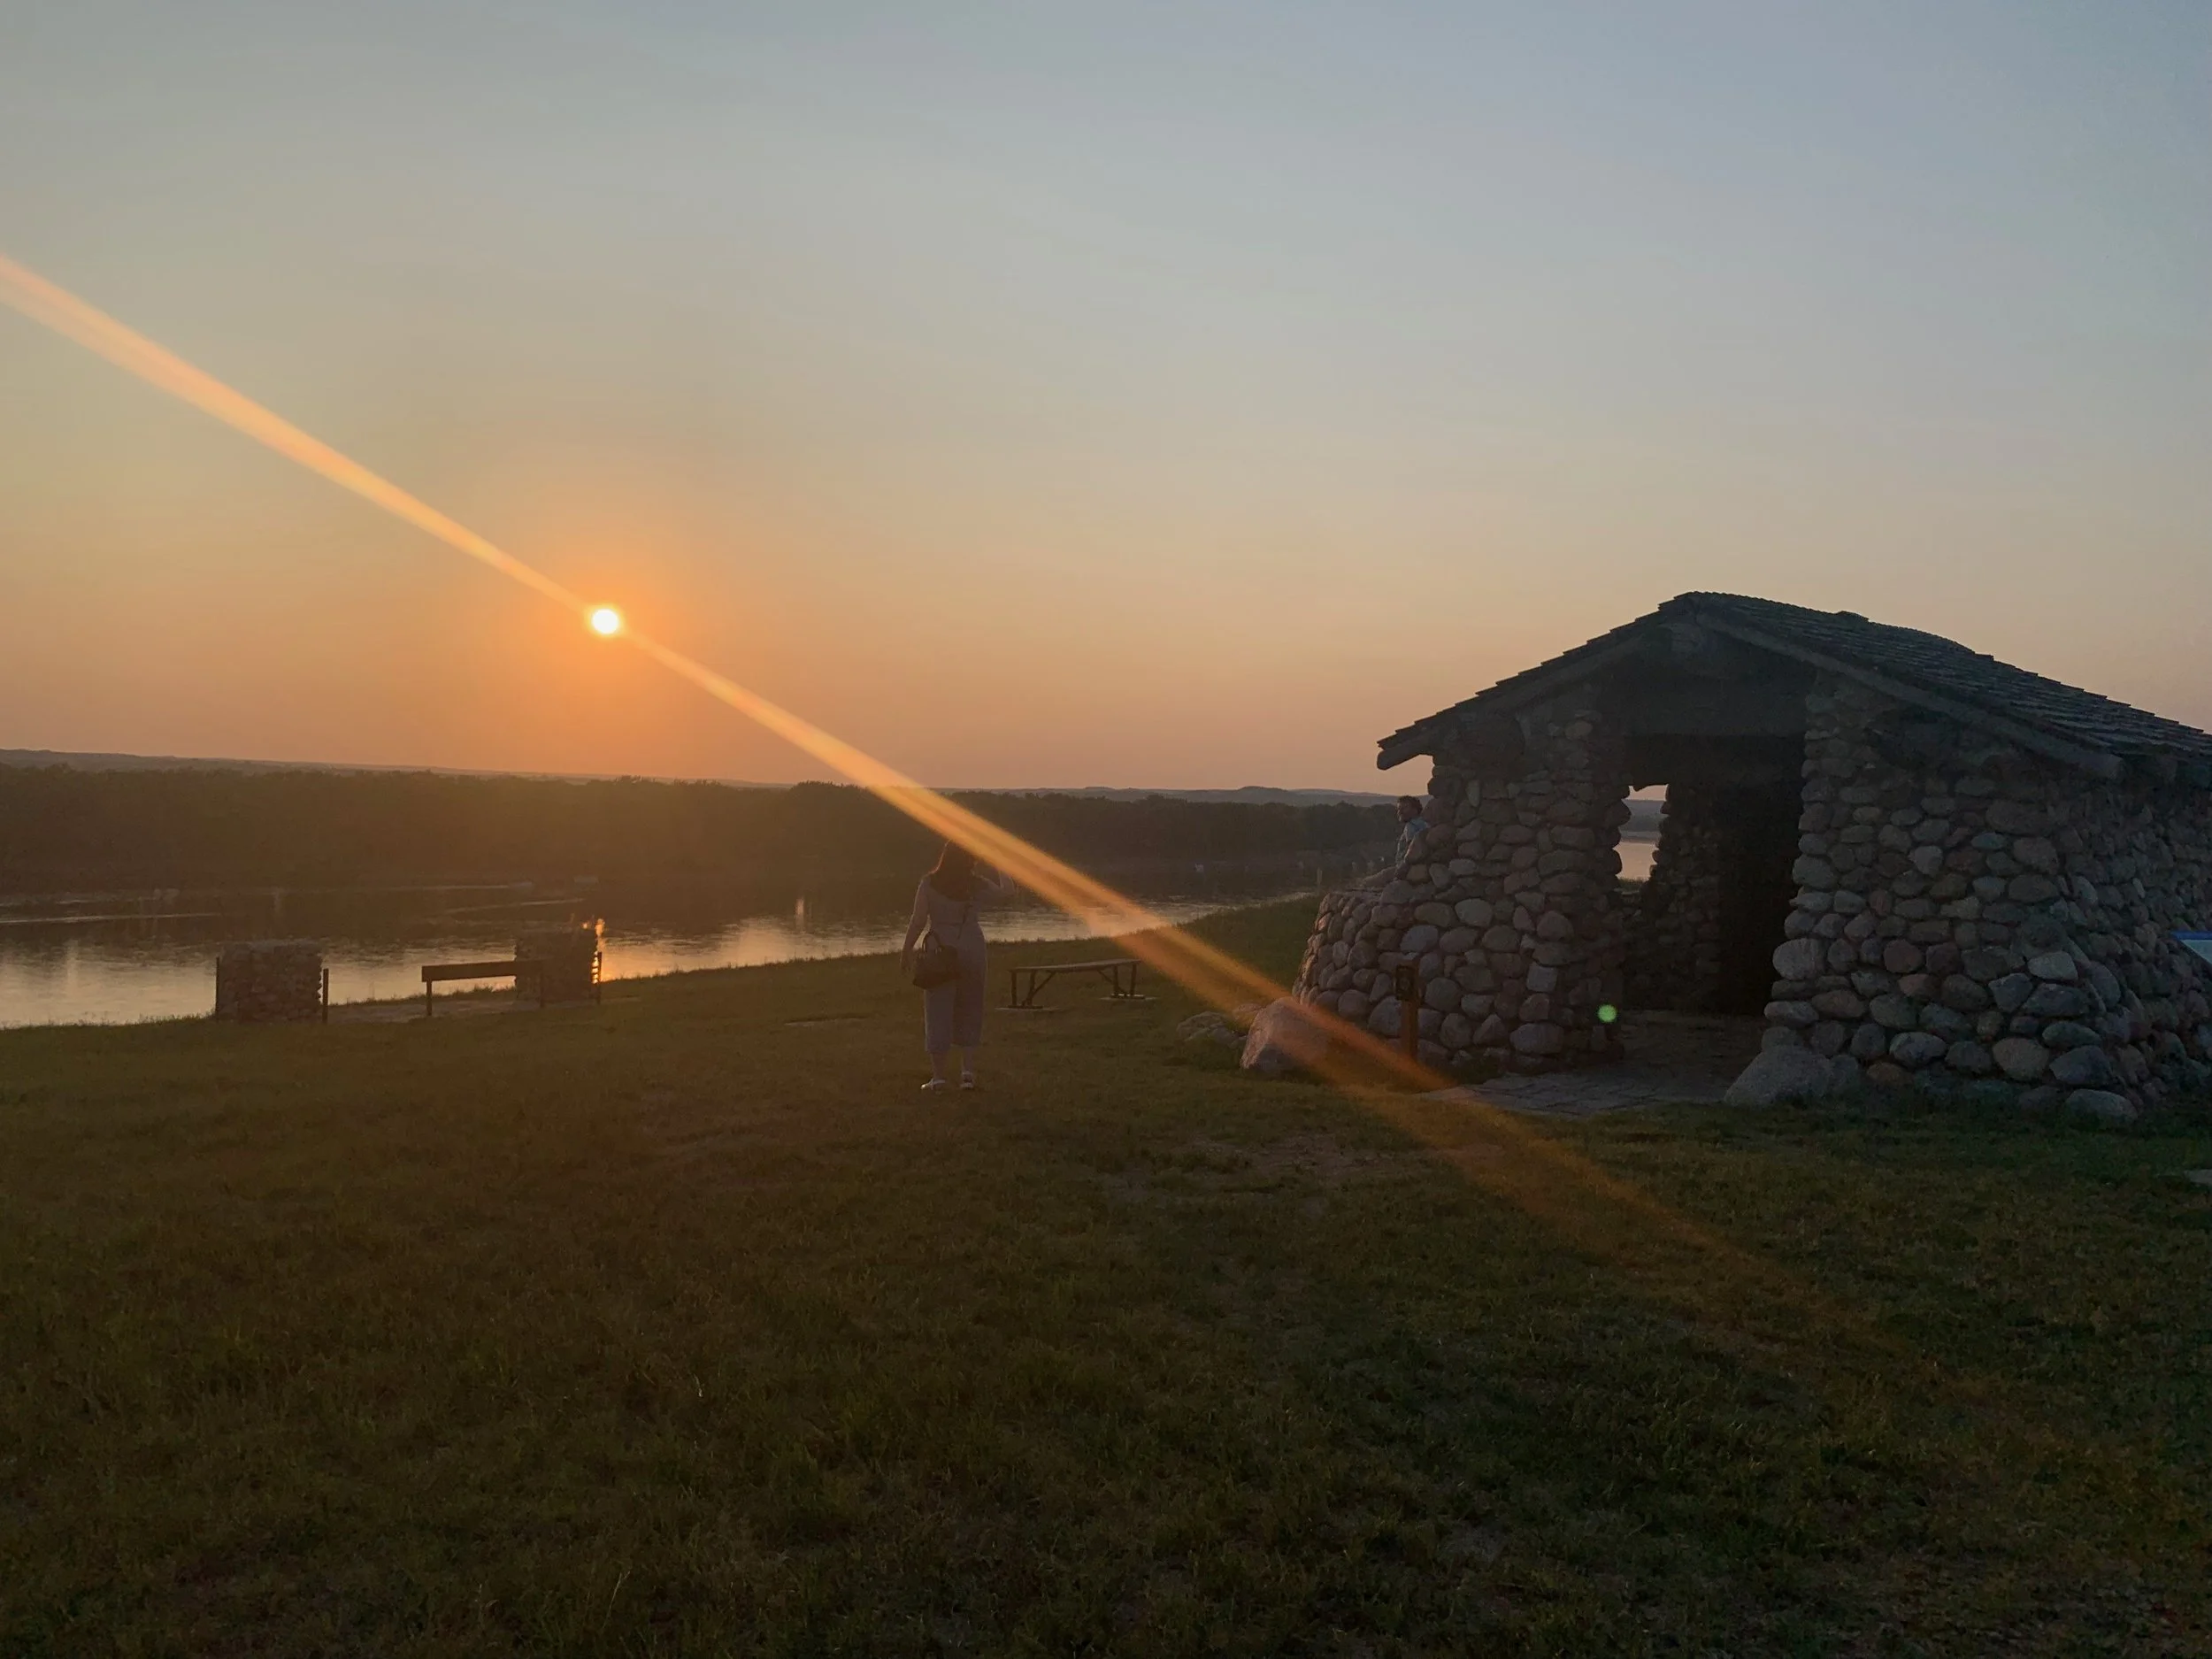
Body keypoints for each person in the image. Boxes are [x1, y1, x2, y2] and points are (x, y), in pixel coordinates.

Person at [900, 841, 1010, 1093]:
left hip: (940, 951)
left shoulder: (929, 883)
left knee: (938, 1010)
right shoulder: (976, 884)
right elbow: (1007, 892)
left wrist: (906, 950)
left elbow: (918, 920)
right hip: (973, 947)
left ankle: (938, 1076)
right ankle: (967, 1073)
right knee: (971, 1006)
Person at [1394, 794, 1431, 865]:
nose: (1400, 812)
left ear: (1415, 810)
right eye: (1399, 809)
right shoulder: (1425, 822)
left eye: (1404, 808)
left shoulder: (1410, 826)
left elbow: (1410, 847)